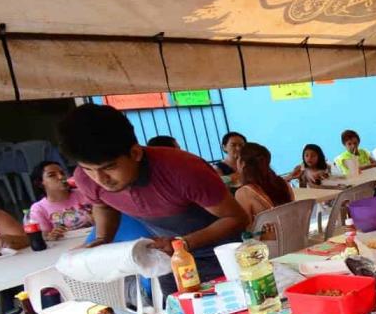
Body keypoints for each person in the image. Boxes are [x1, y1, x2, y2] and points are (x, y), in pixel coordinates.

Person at [56, 104, 249, 294]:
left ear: (135, 153)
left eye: (109, 167)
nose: (100, 180)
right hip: (166, 260)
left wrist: (183, 243)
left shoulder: (183, 169)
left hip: (223, 255)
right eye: (89, 169)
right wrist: (102, 238)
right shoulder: (85, 178)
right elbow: (103, 206)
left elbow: (236, 218)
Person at [28, 161, 94, 240]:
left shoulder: (85, 193)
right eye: (52, 175)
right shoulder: (39, 208)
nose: (61, 177)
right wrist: (51, 236)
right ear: (40, 183)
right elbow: (44, 236)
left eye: (62, 173)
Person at [235, 143, 294, 224]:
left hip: (265, 236)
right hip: (294, 233)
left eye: (238, 158)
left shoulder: (243, 193)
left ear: (243, 163)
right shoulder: (283, 183)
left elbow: (246, 230)